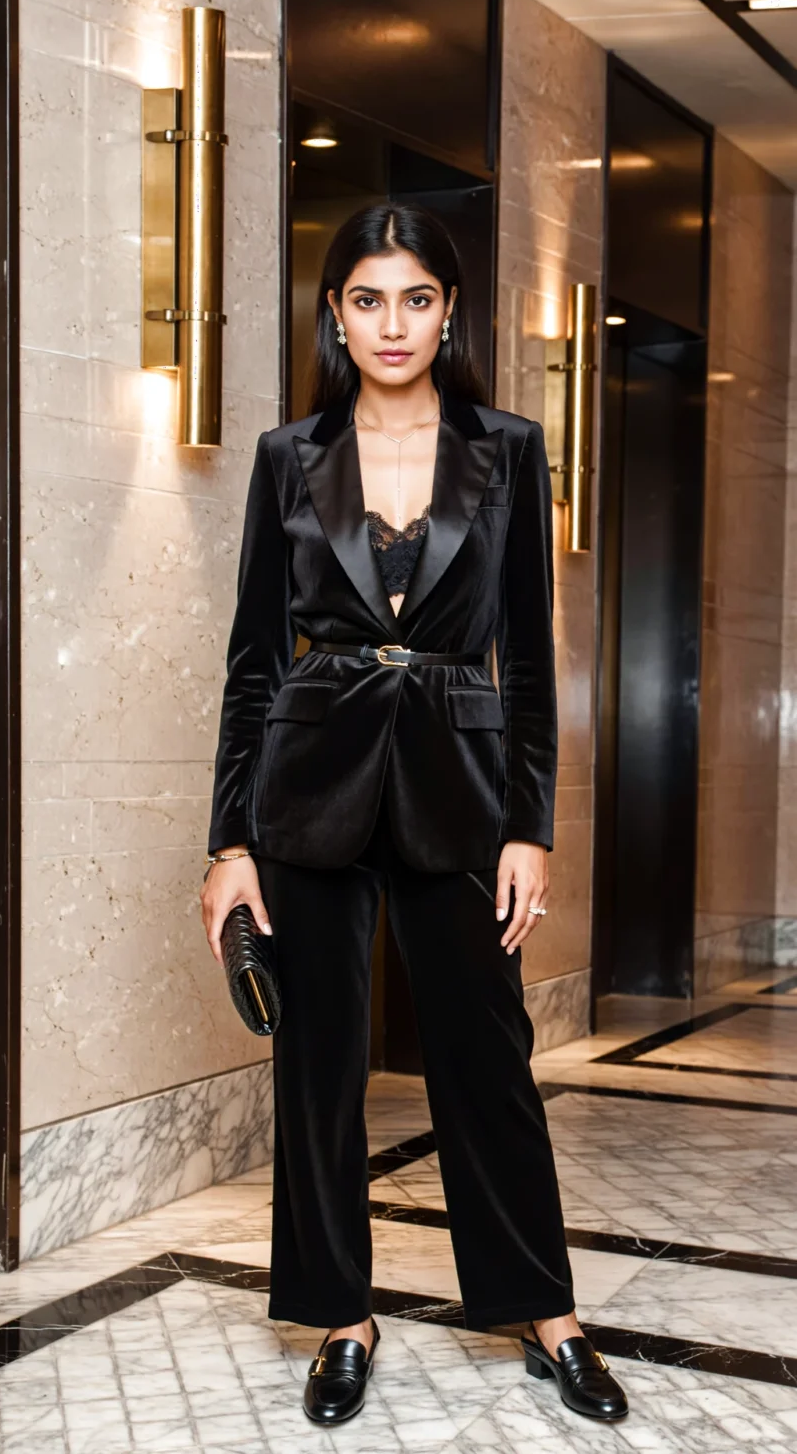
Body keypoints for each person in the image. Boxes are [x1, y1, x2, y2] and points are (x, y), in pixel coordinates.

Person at [200, 203, 628, 1426]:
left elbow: (532, 662)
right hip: (307, 789)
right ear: (334, 313)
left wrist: (530, 825)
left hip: (462, 788)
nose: (393, 323)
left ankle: (548, 1317)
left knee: (486, 1062)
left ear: (451, 311)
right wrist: (229, 845)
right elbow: (249, 662)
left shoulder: (509, 447)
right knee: (320, 1065)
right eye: (368, 299)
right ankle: (341, 1314)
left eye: (418, 299)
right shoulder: (290, 456)